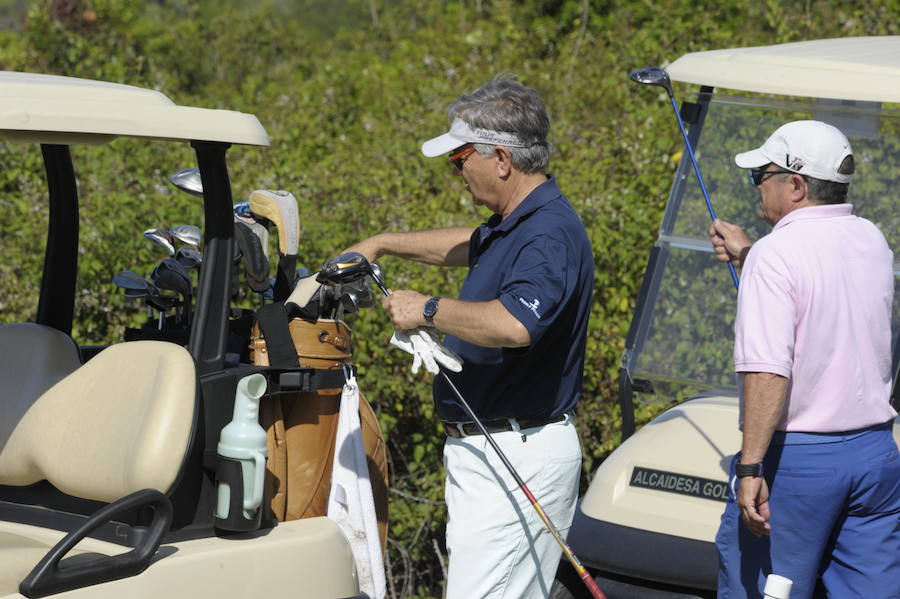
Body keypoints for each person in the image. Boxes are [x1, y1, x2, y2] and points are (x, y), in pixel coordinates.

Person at [346, 77, 594, 598]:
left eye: (460, 159)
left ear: (501, 159)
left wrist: (428, 309)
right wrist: (382, 244)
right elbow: (464, 244)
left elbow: (515, 325)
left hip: (518, 450)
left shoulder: (546, 233)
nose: (454, 172)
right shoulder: (515, 221)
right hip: (491, 450)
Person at [709, 120, 899, 598]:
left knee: (763, 588)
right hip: (875, 455)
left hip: (799, 460)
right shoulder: (872, 241)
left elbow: (769, 370)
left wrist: (751, 469)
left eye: (761, 176)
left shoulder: (776, 255)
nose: (757, 187)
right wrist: (748, 254)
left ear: (795, 185)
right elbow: (823, 290)